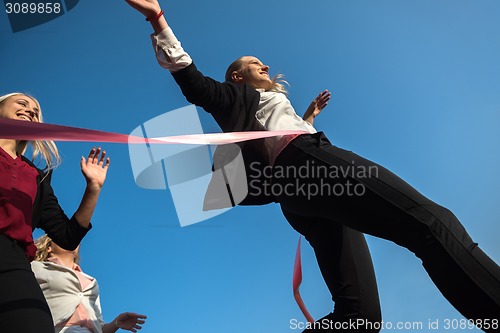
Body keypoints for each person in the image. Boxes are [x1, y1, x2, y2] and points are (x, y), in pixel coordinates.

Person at [125, 1, 500, 332]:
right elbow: (195, 85)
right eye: (255, 63)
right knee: (430, 223)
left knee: (360, 316)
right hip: (304, 166)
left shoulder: (271, 104)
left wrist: (308, 117)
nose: (265, 64)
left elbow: (278, 130)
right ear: (237, 77)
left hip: (298, 191)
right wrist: (158, 19)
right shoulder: (236, 95)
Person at [0, 92, 111, 332]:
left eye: (35, 111)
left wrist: (93, 188)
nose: (30, 110)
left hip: (13, 263)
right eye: (22, 103)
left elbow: (66, 236)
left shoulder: (36, 177)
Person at [31, 235, 147, 333]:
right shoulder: (36, 267)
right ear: (49, 247)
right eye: (64, 236)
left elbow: (99, 325)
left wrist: (116, 323)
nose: (71, 239)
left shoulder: (91, 281)